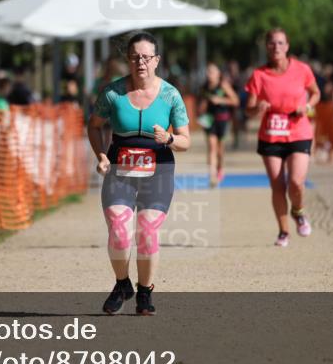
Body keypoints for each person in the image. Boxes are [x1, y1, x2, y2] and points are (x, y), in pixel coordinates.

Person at [88, 32, 191, 315]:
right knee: (119, 231)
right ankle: (122, 284)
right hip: (120, 169)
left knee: (146, 231)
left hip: (159, 170)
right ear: (128, 60)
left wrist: (168, 139)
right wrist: (100, 154)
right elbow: (94, 125)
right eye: (135, 57)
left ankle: (145, 291)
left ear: (156, 60)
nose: (141, 62)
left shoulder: (170, 95)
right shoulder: (112, 93)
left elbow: (185, 140)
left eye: (146, 57)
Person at [245, 28, 321, 247]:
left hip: (298, 131)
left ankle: (298, 211)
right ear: (267, 47)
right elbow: (248, 109)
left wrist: (306, 106)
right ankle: (284, 231)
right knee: (278, 185)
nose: (276, 47)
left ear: (287, 46)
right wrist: (257, 107)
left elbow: (316, 93)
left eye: (280, 43)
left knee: (296, 181)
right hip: (271, 135)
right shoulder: (259, 75)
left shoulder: (302, 69)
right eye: (272, 43)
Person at [197, 62, 240, 186]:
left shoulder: (223, 85)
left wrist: (220, 100)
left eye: (212, 71)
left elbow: (235, 101)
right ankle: (212, 175)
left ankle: (220, 168)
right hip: (209, 120)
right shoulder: (204, 87)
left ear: (218, 74)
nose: (209, 74)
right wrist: (201, 110)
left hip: (223, 120)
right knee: (211, 147)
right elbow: (201, 105)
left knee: (220, 150)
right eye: (208, 71)